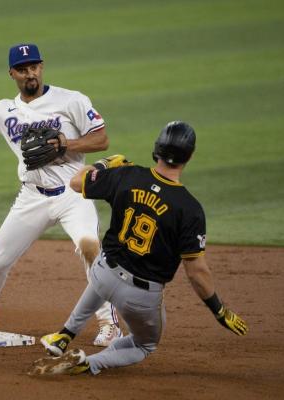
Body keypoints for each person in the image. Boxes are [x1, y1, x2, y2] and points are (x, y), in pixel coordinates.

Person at [30, 121, 248, 376]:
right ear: (189, 156)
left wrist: (105, 163)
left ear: (156, 149)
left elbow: (77, 183)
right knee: (145, 344)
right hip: (140, 297)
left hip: (103, 273)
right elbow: (196, 272)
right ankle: (89, 362)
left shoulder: (127, 175)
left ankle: (64, 335)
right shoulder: (190, 209)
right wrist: (218, 310)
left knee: (102, 274)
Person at [0, 40, 122, 347]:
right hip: (31, 197)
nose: (30, 74)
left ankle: (110, 323)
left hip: (71, 194)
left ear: (42, 67)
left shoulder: (71, 100)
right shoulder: (4, 111)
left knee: (90, 247)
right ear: (12, 73)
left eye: (35, 67)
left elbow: (102, 140)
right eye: (23, 69)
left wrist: (68, 145)